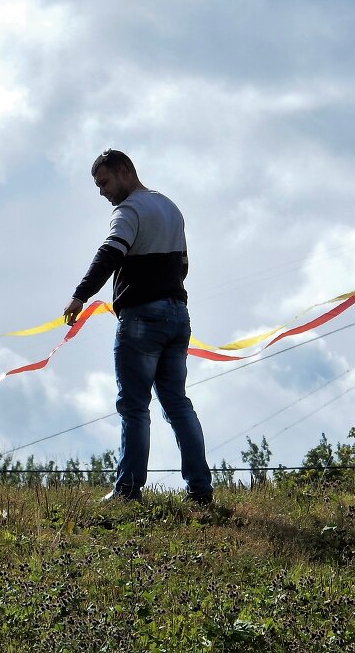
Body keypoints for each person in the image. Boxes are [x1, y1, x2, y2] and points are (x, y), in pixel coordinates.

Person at [63, 149, 213, 505]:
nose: (102, 192)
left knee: (133, 407)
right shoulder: (170, 207)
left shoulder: (129, 210)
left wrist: (80, 295)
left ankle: (128, 490)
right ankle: (201, 491)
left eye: (105, 182)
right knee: (177, 404)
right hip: (178, 315)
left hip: (142, 319)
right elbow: (184, 265)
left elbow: (110, 252)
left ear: (125, 171)